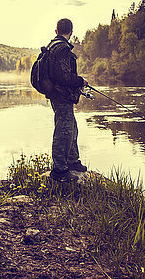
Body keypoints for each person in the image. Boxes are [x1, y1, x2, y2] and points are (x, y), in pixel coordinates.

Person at [46, 18, 88, 182]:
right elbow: (64, 77)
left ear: (56, 31)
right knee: (64, 131)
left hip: (57, 95)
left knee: (71, 127)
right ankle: (59, 171)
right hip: (61, 95)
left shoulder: (52, 46)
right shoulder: (62, 49)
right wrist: (80, 81)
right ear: (71, 32)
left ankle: (72, 161)